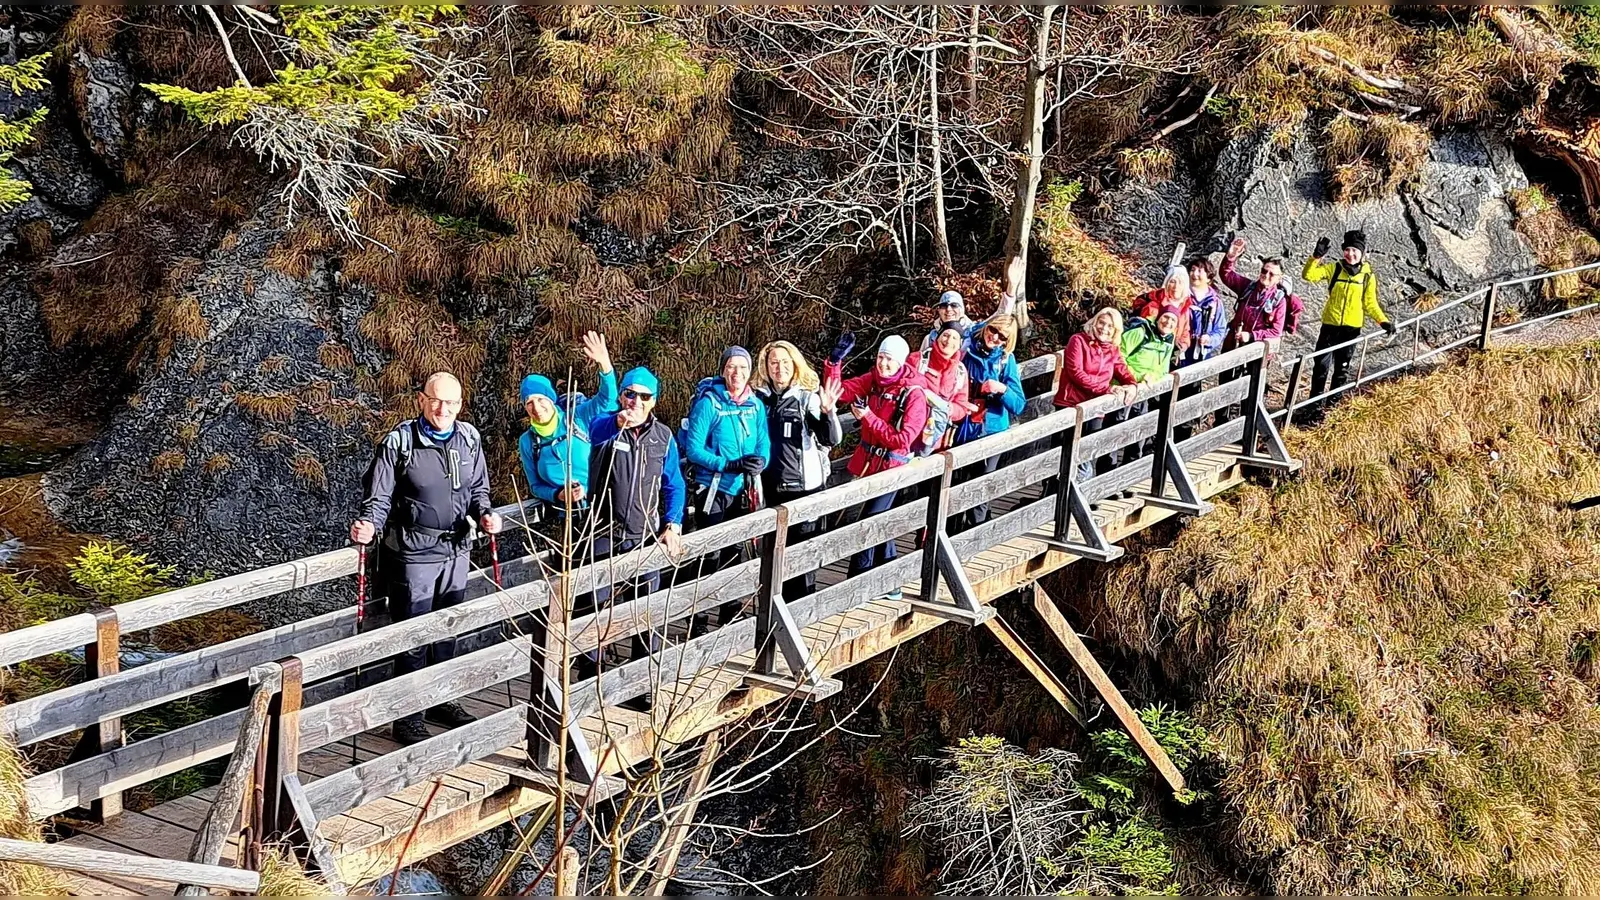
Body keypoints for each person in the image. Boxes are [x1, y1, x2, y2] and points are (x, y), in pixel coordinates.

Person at [351, 372, 503, 746]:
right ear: (421, 400)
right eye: (436, 400)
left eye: (451, 403)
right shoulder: (400, 442)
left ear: (460, 404)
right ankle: (408, 716)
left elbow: (478, 488)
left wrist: (485, 512)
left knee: (447, 629)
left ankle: (441, 699)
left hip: (457, 548)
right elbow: (379, 495)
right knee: (414, 634)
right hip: (414, 552)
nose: (443, 409)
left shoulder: (469, 439)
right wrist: (370, 524)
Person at [583, 367, 686, 682]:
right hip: (604, 533)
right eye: (630, 394)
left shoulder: (663, 436)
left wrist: (673, 523)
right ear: (621, 396)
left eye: (645, 396)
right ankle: (590, 679)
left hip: (645, 536)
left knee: (646, 613)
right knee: (597, 612)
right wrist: (617, 423)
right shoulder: (606, 428)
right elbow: (596, 431)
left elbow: (674, 484)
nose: (636, 401)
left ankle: (642, 684)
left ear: (653, 401)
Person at [827, 334, 928, 597]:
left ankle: (858, 582)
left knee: (870, 521)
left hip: (893, 467)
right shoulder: (873, 380)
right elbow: (838, 393)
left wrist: (869, 417)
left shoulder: (913, 394)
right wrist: (834, 363)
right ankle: (890, 581)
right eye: (881, 357)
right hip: (869, 462)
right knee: (881, 520)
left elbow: (903, 440)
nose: (883, 364)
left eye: (889, 359)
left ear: (901, 362)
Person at [754, 341, 843, 600]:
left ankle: (801, 614)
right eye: (774, 363)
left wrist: (828, 413)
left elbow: (831, 439)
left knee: (802, 558)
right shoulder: (760, 400)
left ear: (795, 365)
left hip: (804, 489)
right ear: (766, 367)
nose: (779, 368)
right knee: (773, 559)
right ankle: (771, 615)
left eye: (785, 362)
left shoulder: (806, 398)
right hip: (770, 490)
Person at [517, 331, 617, 542]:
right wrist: (558, 495)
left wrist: (605, 365)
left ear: (552, 399)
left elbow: (608, 401)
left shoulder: (578, 418)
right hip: (567, 518)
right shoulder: (528, 441)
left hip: (602, 509)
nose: (536, 407)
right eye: (529, 402)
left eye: (541, 399)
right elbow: (535, 486)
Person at [1302, 229, 1395, 403]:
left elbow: (1370, 303)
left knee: (1341, 369)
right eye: (1347, 250)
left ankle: (1332, 405)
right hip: (1330, 326)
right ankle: (1313, 407)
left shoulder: (1368, 276)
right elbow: (1308, 275)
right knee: (1321, 367)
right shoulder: (1334, 268)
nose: (1350, 254)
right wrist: (1316, 257)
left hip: (1351, 330)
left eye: (1355, 250)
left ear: (1362, 252)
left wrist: (1383, 321)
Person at [1053, 308, 1139, 490]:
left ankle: (1081, 495)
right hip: (1071, 404)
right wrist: (1106, 388)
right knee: (1062, 457)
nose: (1104, 328)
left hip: (1096, 409)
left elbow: (1122, 370)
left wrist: (1132, 384)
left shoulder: (1112, 350)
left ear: (1116, 331)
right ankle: (1054, 497)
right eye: (1102, 322)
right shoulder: (1078, 340)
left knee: (1086, 455)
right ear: (1094, 321)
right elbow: (1076, 373)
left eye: (1110, 326)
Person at [957, 314, 1024, 528]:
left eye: (1001, 336)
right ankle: (951, 535)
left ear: (1007, 341)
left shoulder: (1006, 360)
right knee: (957, 486)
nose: (994, 337)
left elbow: (1019, 404)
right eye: (992, 330)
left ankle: (977, 533)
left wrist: (1001, 389)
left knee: (981, 486)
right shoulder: (965, 351)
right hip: (963, 428)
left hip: (992, 429)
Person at [1111, 305, 1179, 483]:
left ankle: (1128, 480)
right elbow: (1118, 355)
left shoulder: (1169, 341)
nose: (1168, 323)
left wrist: (1152, 377)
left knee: (1138, 435)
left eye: (1173, 320)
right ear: (1158, 317)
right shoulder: (1140, 332)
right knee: (1114, 435)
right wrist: (1135, 378)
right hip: (1123, 390)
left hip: (1143, 393)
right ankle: (1107, 481)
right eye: (1166, 317)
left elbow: (1163, 368)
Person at [1174, 256, 1229, 441]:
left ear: (1209, 276)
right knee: (1169, 400)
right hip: (1177, 357)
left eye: (1200, 270)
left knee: (1189, 402)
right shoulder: (1181, 294)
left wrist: (1210, 339)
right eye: (1193, 269)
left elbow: (1221, 329)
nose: (1195, 274)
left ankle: (1181, 444)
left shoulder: (1215, 302)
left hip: (1198, 359)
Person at [909, 322, 975, 456]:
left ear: (960, 344)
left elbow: (961, 407)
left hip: (936, 443)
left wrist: (948, 408)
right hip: (908, 436)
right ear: (937, 337)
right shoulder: (917, 360)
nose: (949, 341)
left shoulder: (960, 371)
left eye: (955, 338)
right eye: (945, 335)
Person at [1220, 237, 1292, 354]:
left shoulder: (1279, 301)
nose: (1266, 275)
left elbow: (1276, 331)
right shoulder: (1248, 287)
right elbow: (1226, 275)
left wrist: (1251, 336)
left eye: (1272, 274)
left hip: (1256, 352)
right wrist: (1231, 257)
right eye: (1264, 271)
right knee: (1225, 372)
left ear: (1279, 278)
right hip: (1233, 344)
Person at [1134, 265, 1194, 357]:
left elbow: (1185, 331)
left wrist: (1182, 346)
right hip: (1149, 351)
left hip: (1169, 354)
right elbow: (1144, 330)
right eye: (1172, 281)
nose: (1176, 286)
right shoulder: (1154, 305)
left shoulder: (1185, 307)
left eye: (1180, 283)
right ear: (1166, 283)